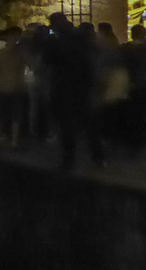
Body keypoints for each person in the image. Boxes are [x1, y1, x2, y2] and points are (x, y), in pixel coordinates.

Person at [44, 12, 103, 170]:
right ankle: (97, 157)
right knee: (88, 124)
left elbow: (47, 62)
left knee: (66, 126)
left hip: (63, 87)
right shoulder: (82, 37)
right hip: (82, 85)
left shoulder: (55, 41)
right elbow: (92, 58)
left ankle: (69, 159)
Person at [0, 27, 27, 145]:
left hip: (10, 87)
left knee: (6, 114)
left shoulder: (6, 54)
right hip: (9, 87)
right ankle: (9, 140)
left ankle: (5, 139)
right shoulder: (9, 54)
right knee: (8, 115)